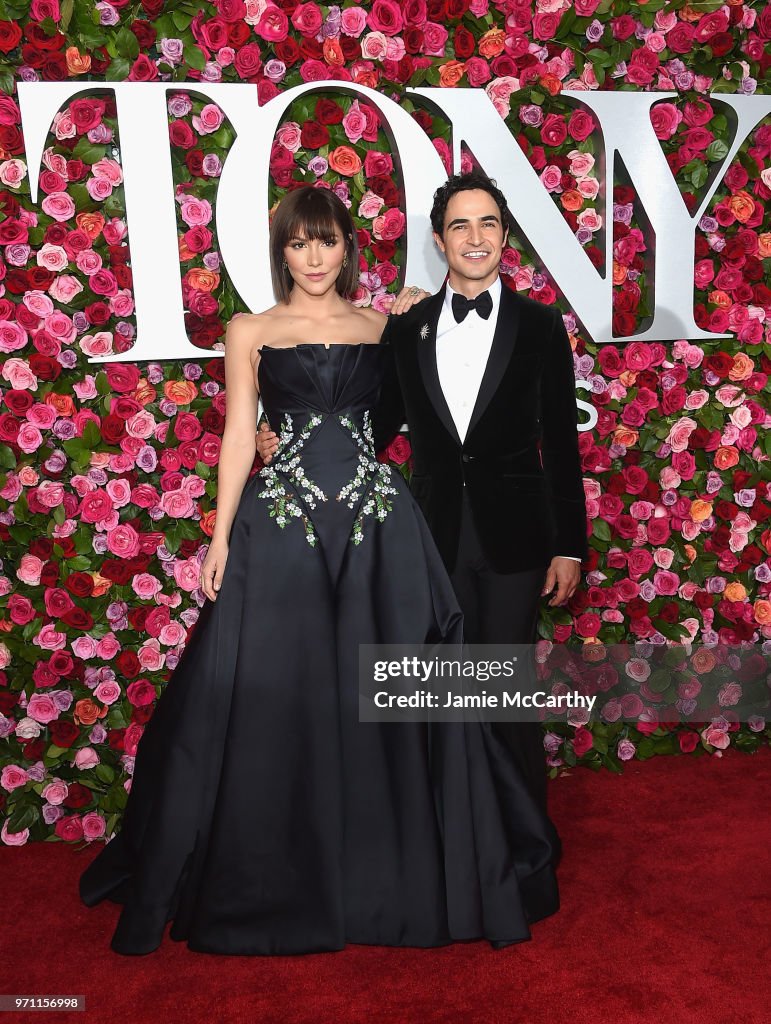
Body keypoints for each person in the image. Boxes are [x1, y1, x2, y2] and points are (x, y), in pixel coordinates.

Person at [79, 185, 561, 957]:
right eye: (299, 244)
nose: (313, 257)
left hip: (378, 532)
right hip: (279, 528)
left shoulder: (388, 325)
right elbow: (240, 435)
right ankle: (276, 865)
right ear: (283, 253)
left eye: (327, 241)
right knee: (276, 691)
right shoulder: (250, 329)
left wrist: (415, 309)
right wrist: (219, 537)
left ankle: (395, 864)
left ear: (346, 249)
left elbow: (433, 420)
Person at [258, 172, 588, 813]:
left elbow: (562, 447)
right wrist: (285, 438)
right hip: (430, 536)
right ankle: (456, 839)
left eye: (487, 223)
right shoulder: (406, 328)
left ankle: (522, 844)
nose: (474, 237)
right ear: (440, 241)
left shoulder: (543, 327)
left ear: (503, 237)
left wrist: (569, 546)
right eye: (460, 225)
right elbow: (367, 423)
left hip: (516, 538)